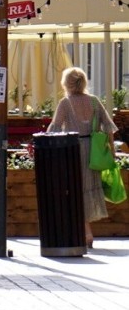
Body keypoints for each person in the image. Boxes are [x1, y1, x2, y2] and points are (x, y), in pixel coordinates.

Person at [48, 66, 117, 248]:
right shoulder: (94, 101)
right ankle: (86, 231)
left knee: (74, 189)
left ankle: (85, 232)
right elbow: (108, 127)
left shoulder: (66, 103)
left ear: (66, 83)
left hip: (72, 150)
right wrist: (112, 150)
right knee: (89, 188)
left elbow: (54, 128)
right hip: (93, 151)